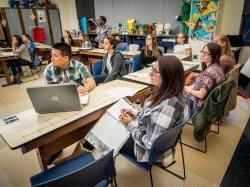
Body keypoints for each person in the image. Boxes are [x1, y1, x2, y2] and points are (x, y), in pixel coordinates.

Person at [119, 56, 188, 163]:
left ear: (168, 75)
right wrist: (135, 113)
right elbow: (153, 113)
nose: (150, 74)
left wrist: (130, 125)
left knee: (114, 133)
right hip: (146, 131)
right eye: (152, 69)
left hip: (146, 153)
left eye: (156, 71)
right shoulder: (173, 91)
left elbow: (150, 144)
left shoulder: (168, 107)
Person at [184, 43, 225, 116]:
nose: (202, 55)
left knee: (173, 98)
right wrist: (190, 87)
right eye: (202, 52)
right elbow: (203, 84)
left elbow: (201, 95)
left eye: (207, 53)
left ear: (215, 56)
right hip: (208, 102)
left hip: (199, 105)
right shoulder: (217, 67)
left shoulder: (210, 72)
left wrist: (189, 89)